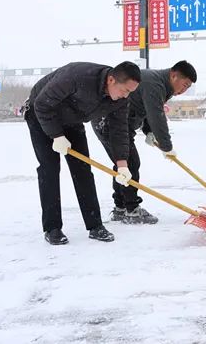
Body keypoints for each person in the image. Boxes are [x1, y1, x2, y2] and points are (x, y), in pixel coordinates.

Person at [24, 61, 141, 245]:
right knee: (50, 170)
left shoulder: (121, 99)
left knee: (83, 170)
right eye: (125, 90)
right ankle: (52, 228)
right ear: (111, 80)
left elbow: (119, 131)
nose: (126, 95)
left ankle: (95, 226)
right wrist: (57, 136)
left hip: (72, 120)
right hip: (41, 115)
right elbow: (42, 104)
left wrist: (122, 164)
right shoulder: (77, 76)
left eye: (130, 92)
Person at [92, 60, 196, 225]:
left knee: (123, 165)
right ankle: (131, 210)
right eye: (184, 85)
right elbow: (156, 115)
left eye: (188, 88)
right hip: (110, 123)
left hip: (120, 124)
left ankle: (121, 208)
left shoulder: (161, 84)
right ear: (174, 75)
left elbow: (146, 108)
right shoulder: (155, 83)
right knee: (130, 163)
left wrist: (149, 131)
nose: (184, 90)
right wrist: (166, 146)